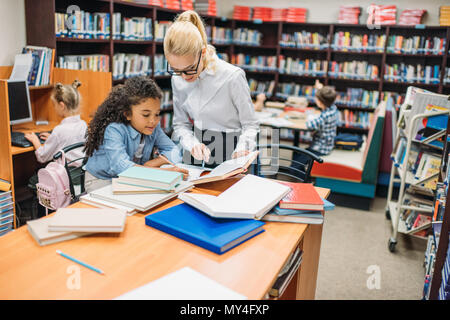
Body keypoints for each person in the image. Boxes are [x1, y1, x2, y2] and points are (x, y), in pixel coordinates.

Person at [163, 10, 259, 166]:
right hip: (197, 150)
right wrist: (192, 144)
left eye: (190, 68)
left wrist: (241, 150)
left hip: (234, 149)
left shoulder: (232, 76)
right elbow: (181, 124)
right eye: (177, 70)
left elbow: (250, 124)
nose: (185, 76)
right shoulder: (177, 79)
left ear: (203, 52)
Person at [84, 76, 187, 193]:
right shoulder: (114, 129)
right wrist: (163, 173)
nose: (153, 121)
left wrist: (153, 163)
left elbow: (174, 150)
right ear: (128, 114)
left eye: (157, 114)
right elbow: (122, 167)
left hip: (132, 177)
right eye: (146, 115)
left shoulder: (153, 127)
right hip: (101, 180)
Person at [25, 80, 87, 164]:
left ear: (61, 106)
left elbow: (42, 157)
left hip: (63, 175)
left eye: (54, 105)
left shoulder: (59, 130)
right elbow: (69, 141)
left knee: (31, 177)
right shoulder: (83, 125)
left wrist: (35, 141)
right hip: (79, 174)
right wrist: (53, 138)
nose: (54, 108)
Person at [291, 85, 338, 179]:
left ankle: (307, 182)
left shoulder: (325, 116)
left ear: (320, 102)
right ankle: (306, 177)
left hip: (320, 149)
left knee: (294, 167)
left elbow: (308, 125)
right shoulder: (333, 108)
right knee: (297, 155)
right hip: (326, 145)